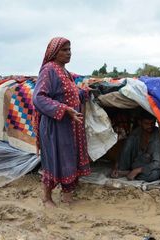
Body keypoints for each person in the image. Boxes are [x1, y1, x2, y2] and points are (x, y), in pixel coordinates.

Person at [33, 37, 91, 207]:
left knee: (69, 159)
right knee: (54, 160)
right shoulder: (49, 70)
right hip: (55, 126)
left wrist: (83, 92)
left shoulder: (65, 72)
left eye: (69, 49)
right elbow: (39, 98)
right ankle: (46, 198)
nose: (68, 53)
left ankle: (67, 198)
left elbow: (68, 94)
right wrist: (64, 109)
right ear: (53, 53)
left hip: (69, 125)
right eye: (64, 50)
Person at [111, 110, 160, 182]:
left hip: (149, 166)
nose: (150, 126)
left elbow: (157, 164)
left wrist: (138, 170)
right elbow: (124, 150)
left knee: (154, 175)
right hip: (136, 162)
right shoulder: (137, 132)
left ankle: (128, 173)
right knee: (129, 142)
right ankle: (123, 170)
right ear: (140, 122)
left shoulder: (157, 137)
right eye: (146, 123)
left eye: (152, 123)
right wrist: (116, 167)